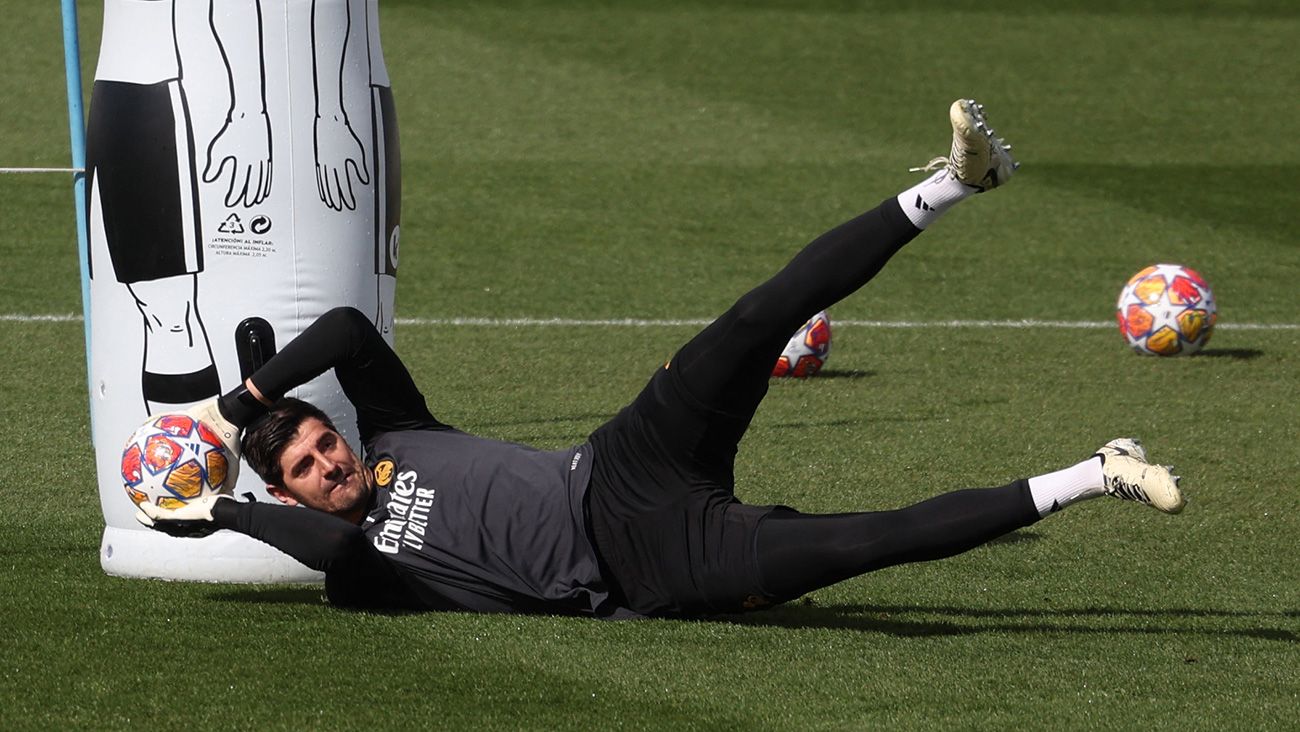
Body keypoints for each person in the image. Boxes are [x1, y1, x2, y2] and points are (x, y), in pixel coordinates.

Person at [138, 100, 1185, 618]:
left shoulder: (398, 435)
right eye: (310, 471)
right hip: (646, 568)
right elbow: (321, 554)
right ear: (294, 496)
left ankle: (956, 183)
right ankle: (1096, 470)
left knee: (757, 316)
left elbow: (350, 334)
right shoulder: (372, 574)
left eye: (324, 443)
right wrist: (222, 505)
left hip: (621, 463)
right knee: (867, 544)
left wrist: (250, 395)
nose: (330, 464)